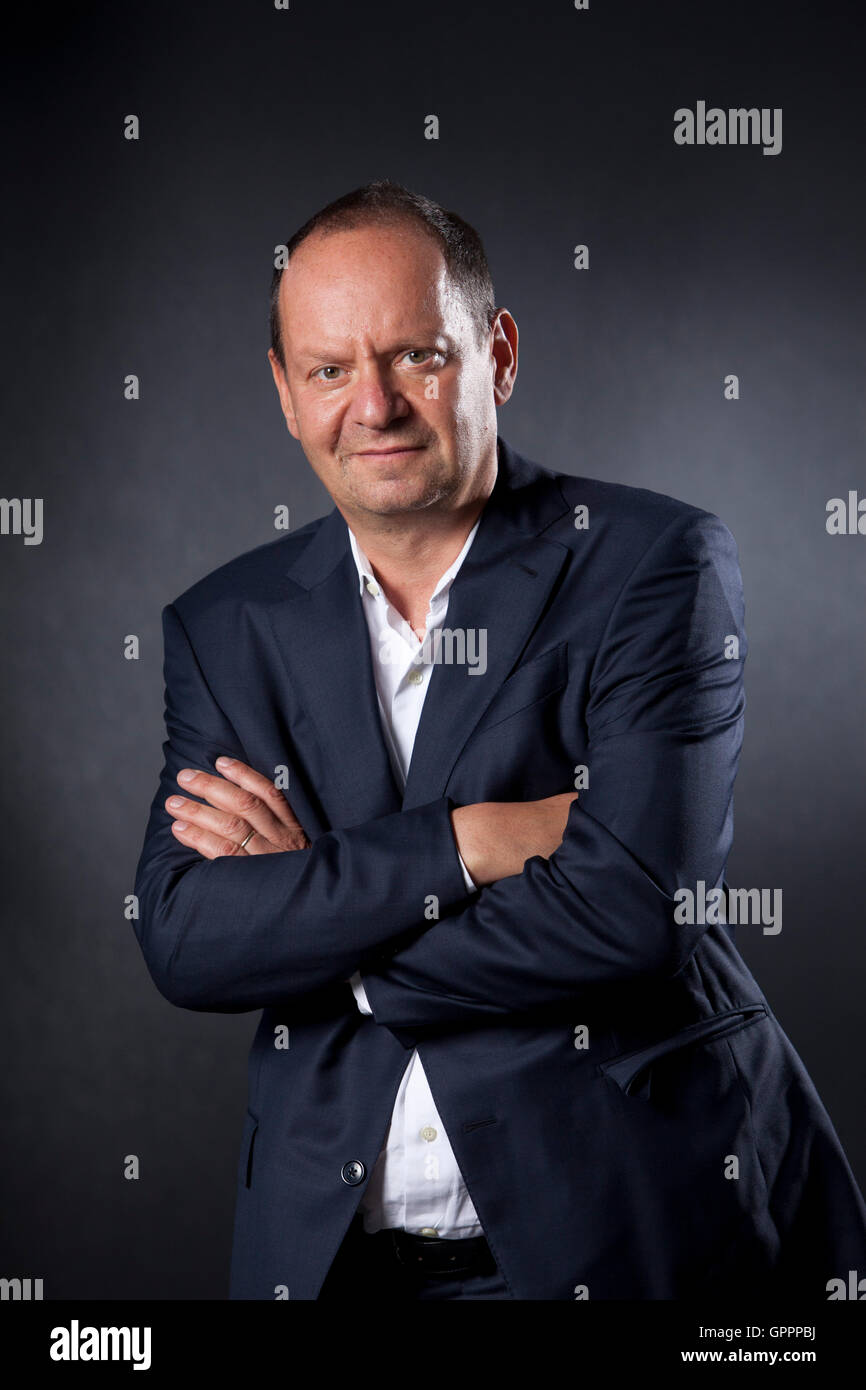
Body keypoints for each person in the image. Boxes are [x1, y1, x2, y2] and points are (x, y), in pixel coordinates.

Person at [133, 180, 866, 1300]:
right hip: (328, 1257)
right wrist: (470, 843)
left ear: (497, 354)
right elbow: (188, 937)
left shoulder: (648, 563)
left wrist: (315, 922)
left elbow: (633, 915)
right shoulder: (226, 627)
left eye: (414, 357)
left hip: (617, 1233)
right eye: (329, 370)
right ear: (285, 394)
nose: (371, 406)